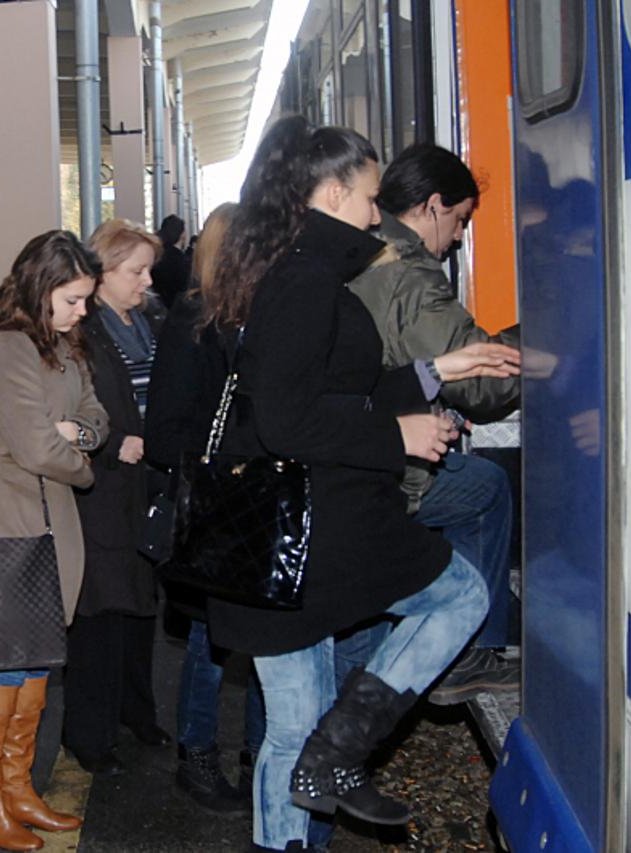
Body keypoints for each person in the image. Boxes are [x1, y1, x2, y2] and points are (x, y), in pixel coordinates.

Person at [199, 122, 521, 851]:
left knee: (293, 731)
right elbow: (287, 419)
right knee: (460, 595)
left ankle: (327, 762)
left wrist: (440, 372)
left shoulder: (299, 270)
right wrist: (397, 435)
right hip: (307, 534)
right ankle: (342, 749)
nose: (378, 215)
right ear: (335, 192)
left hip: (301, 538)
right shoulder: (306, 282)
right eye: (372, 198)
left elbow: (341, 387)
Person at [344, 142, 521, 701]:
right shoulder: (410, 274)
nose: (460, 236)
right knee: (486, 489)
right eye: (461, 219)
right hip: (382, 467)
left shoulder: (360, 250)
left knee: (349, 632)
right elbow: (482, 388)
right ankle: (472, 653)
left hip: (350, 455)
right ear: (435, 204)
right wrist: (537, 338)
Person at [0, 230, 109, 851]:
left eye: (86, 300)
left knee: (36, 660)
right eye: (73, 299)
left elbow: (96, 415)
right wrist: (82, 456)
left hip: (50, 524)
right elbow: (38, 447)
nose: (83, 312)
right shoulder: (11, 348)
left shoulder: (64, 345)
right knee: (4, 664)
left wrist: (80, 435)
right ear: (42, 289)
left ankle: (15, 788)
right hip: (9, 525)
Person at [146, 202, 264, 812]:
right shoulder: (192, 320)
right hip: (214, 502)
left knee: (260, 633)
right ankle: (197, 756)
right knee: (210, 642)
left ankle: (258, 756)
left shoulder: (254, 318)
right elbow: (163, 430)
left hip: (253, 499)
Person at [62, 219, 170, 777]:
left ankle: (136, 710)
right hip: (102, 488)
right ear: (102, 274)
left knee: (140, 605)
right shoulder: (83, 333)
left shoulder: (148, 320)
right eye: (136, 271)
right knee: (99, 615)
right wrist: (108, 447)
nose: (146, 281)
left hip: (145, 484)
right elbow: (67, 416)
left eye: (149, 269)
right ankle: (89, 733)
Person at [150, 214, 190, 308]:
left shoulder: (155, 256)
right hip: (177, 310)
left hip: (158, 308)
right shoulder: (182, 261)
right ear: (182, 235)